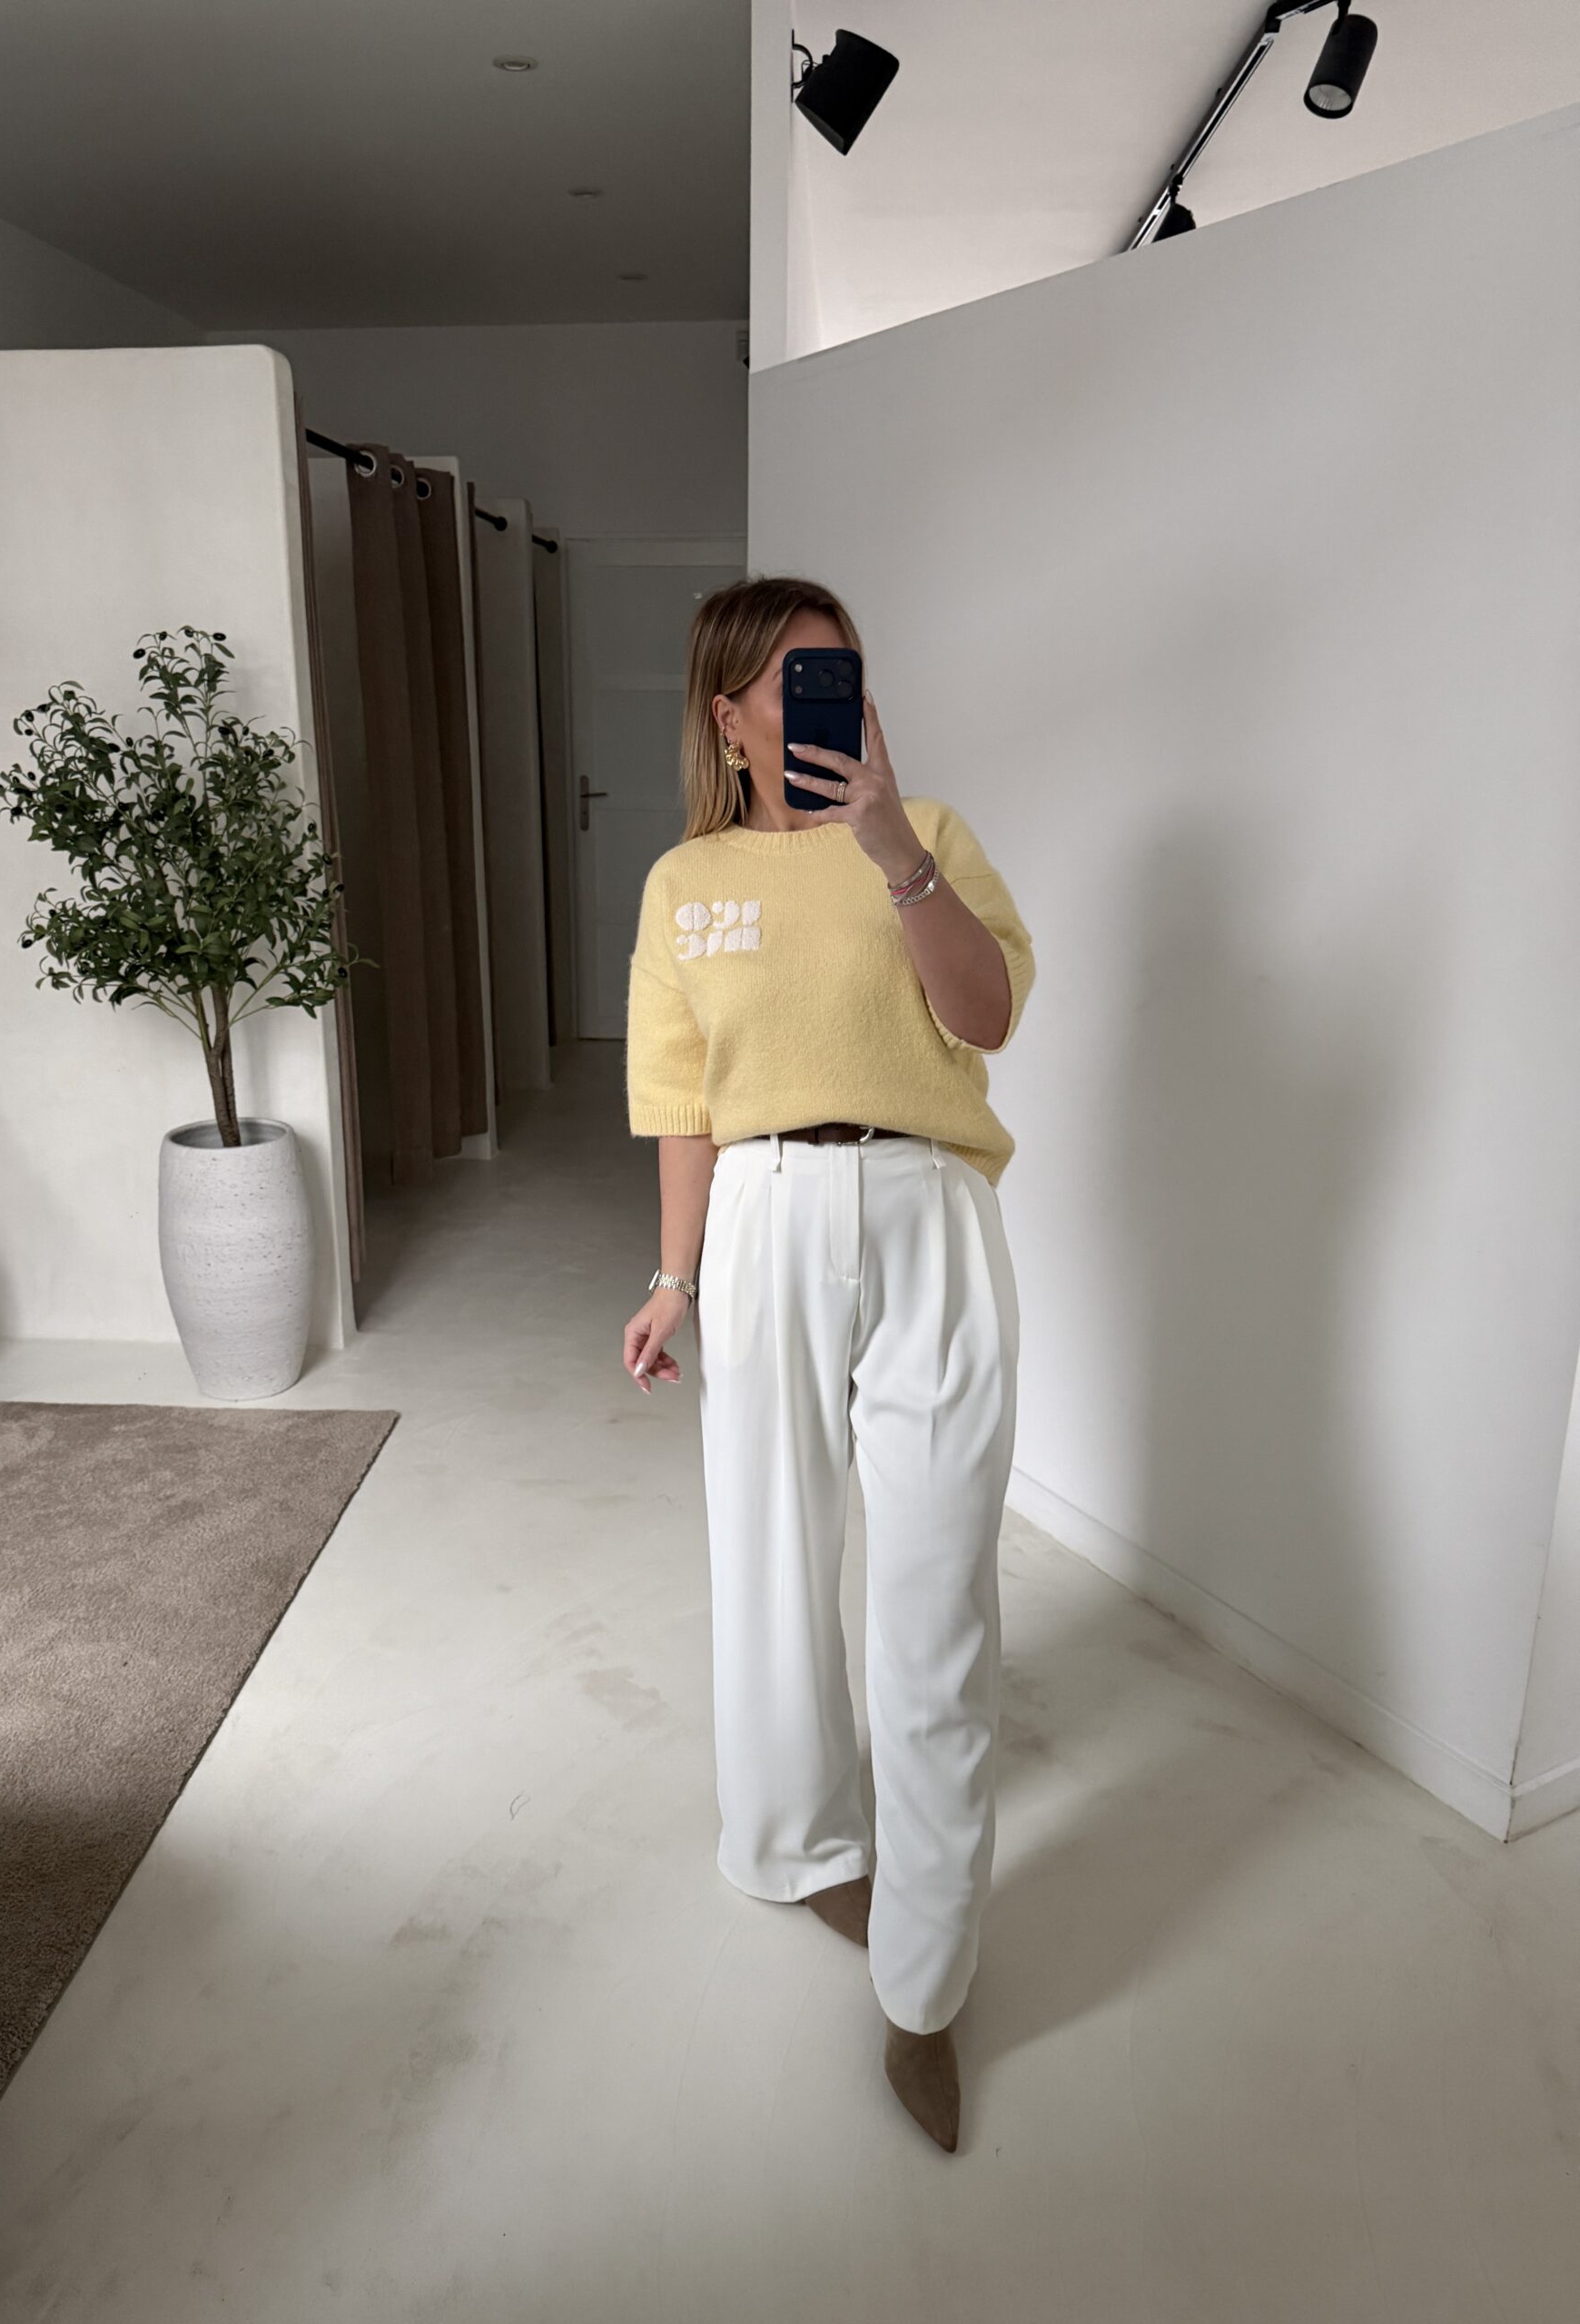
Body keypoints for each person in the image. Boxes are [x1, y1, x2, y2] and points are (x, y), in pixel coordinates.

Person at [620, 574, 1035, 2154]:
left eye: (844, 675)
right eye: (797, 681)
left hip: (930, 1212)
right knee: (774, 1567)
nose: (830, 703)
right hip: (766, 1221)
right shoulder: (683, 882)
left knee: (937, 1598)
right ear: (730, 714)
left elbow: (985, 1019)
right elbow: (684, 1105)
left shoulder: (930, 833)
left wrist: (892, 853)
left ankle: (927, 1987)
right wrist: (672, 1279)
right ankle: (804, 1849)